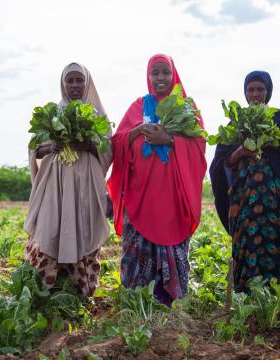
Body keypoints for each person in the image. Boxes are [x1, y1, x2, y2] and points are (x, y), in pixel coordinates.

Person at [107, 54, 206, 306]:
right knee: (136, 249)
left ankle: (169, 300)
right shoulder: (138, 106)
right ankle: (136, 301)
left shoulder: (186, 107)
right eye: (155, 73)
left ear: (174, 75)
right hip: (140, 196)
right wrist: (139, 130)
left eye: (165, 72)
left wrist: (171, 140)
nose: (160, 78)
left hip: (172, 198)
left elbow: (198, 145)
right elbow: (117, 143)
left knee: (173, 245)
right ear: (148, 76)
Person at [209, 70, 280, 292]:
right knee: (250, 241)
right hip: (247, 200)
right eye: (251, 90)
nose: (255, 94)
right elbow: (221, 162)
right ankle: (250, 290)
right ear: (245, 93)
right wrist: (242, 151)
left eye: (260, 89)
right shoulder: (236, 122)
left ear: (268, 91)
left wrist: (272, 146)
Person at [24, 63, 111, 297]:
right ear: (63, 83)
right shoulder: (53, 113)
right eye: (70, 81)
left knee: (83, 227)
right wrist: (51, 146)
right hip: (56, 185)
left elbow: (108, 149)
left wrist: (88, 145)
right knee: (51, 227)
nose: (74, 85)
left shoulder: (96, 114)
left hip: (85, 185)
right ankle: (47, 290)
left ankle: (80, 291)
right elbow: (34, 150)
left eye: (79, 80)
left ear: (87, 83)